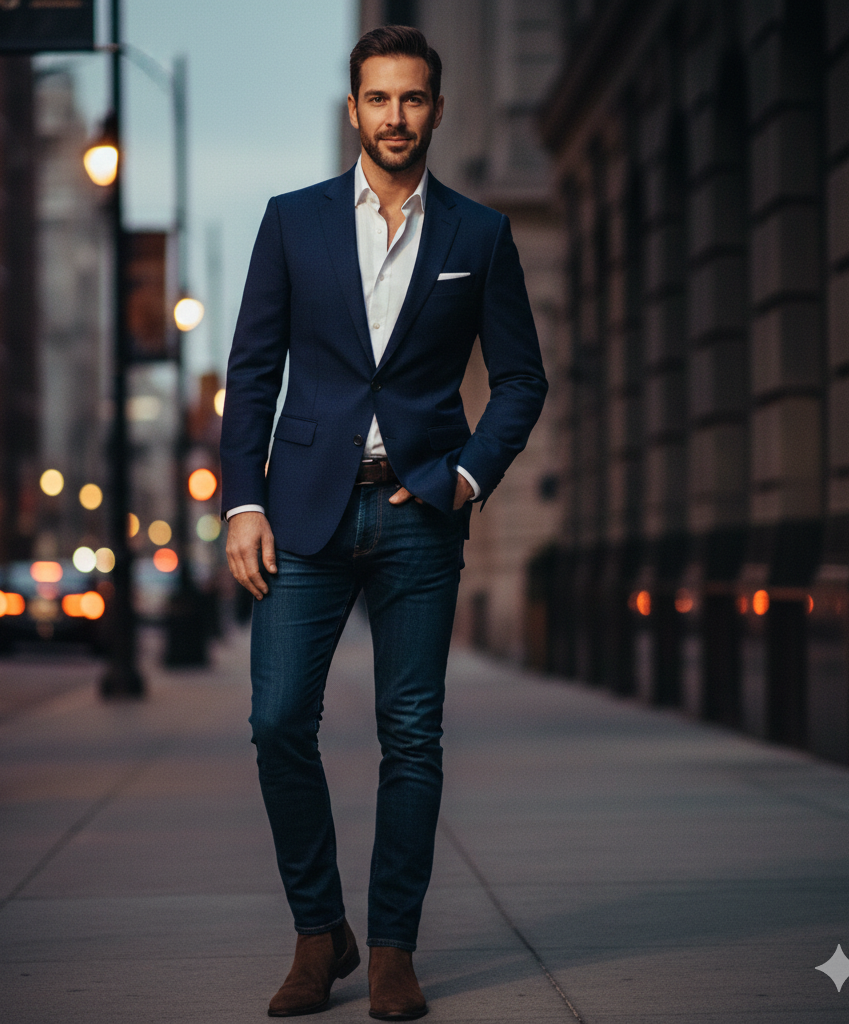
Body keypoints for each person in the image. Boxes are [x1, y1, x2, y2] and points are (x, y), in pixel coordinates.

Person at [220, 25, 548, 1020]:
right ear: (352, 108)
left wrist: (466, 476)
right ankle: (321, 933)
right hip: (303, 508)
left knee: (410, 733)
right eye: (378, 99)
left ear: (435, 110)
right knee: (278, 720)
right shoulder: (293, 223)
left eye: (412, 100)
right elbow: (251, 374)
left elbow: (522, 378)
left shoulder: (479, 236)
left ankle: (394, 946)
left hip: (417, 512)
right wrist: (240, 500)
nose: (395, 117)